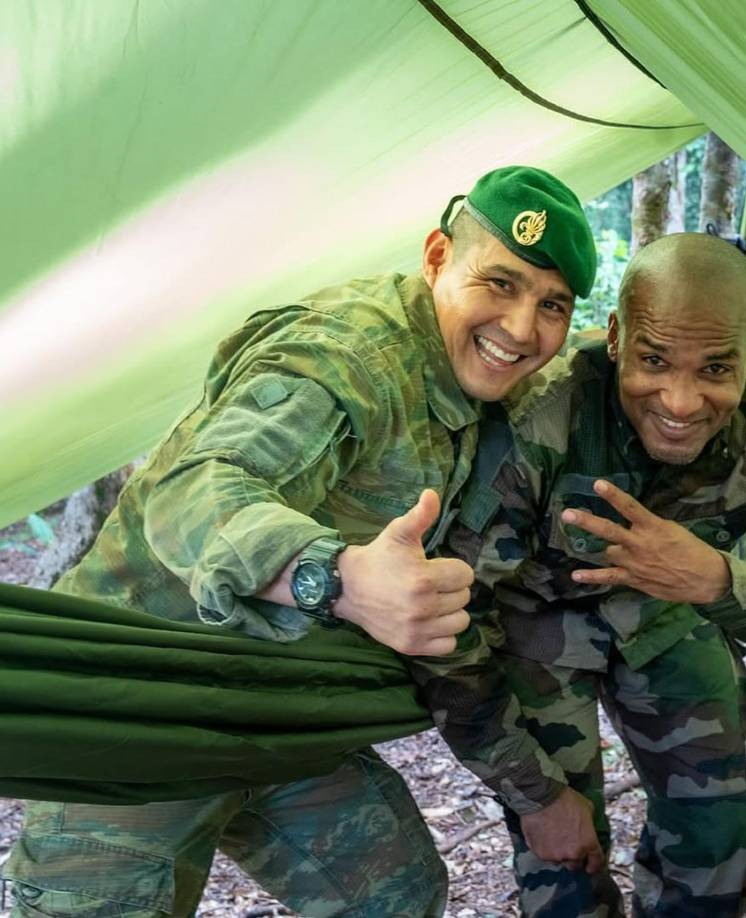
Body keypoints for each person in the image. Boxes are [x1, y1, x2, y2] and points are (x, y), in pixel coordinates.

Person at [2, 166, 597, 917]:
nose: (520, 328)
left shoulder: (471, 393)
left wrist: (535, 792)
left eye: (551, 306)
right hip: (138, 709)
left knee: (397, 897)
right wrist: (339, 577)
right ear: (438, 256)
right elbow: (196, 490)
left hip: (266, 710)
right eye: (500, 284)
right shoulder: (350, 355)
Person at [412, 233, 746, 917]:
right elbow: (449, 620)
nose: (681, 403)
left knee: (718, 851)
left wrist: (716, 579)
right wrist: (534, 795)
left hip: (671, 614)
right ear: (619, 337)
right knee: (562, 871)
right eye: (654, 361)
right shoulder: (545, 412)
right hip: (535, 621)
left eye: (716, 370)